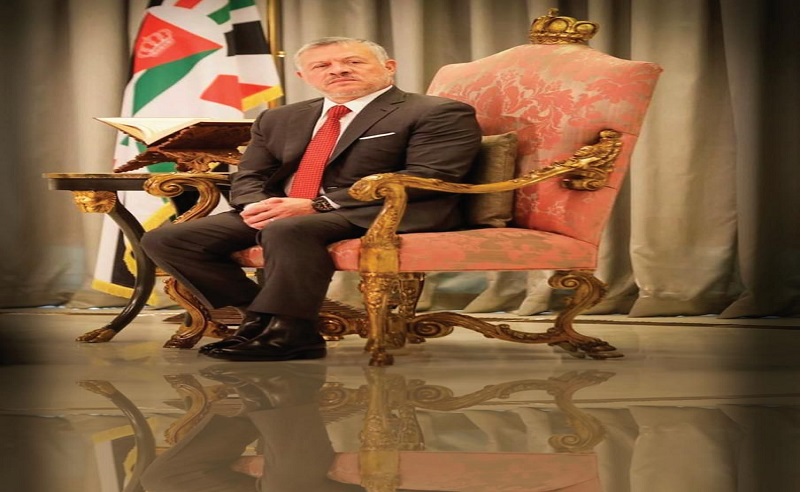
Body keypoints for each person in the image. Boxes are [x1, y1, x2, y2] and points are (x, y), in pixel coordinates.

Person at [141, 37, 483, 361]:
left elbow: (430, 175)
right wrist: (256, 205)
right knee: (168, 239)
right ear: (303, 76)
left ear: (389, 67)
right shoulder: (278, 118)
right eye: (322, 66)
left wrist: (317, 205)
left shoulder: (436, 111)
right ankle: (259, 319)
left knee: (288, 229)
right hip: (288, 208)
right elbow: (250, 174)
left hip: (385, 209)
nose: (338, 70)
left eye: (353, 62)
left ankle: (291, 333)